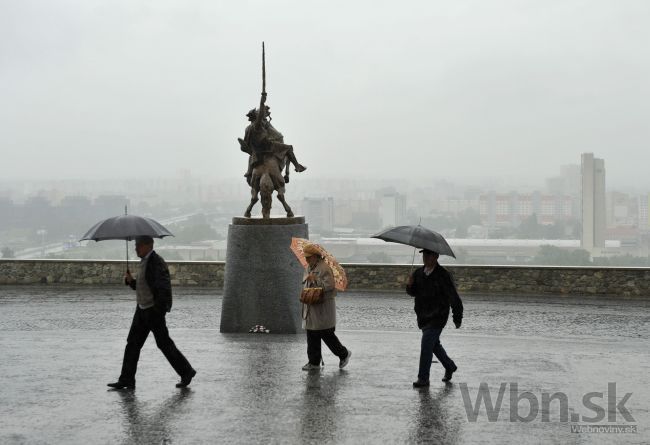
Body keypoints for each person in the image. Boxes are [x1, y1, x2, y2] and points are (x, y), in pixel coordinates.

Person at [107, 236, 196, 390]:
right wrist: (131, 282)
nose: (136, 248)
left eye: (139, 245)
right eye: (135, 245)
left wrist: (158, 310)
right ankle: (127, 379)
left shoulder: (156, 262)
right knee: (132, 344)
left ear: (149, 245)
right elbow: (143, 286)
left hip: (153, 311)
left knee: (164, 344)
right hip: (141, 310)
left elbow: (163, 288)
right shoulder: (144, 262)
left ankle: (187, 372)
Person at [406, 249, 463, 387]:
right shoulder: (418, 273)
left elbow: (453, 297)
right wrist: (409, 285)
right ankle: (449, 366)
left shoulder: (443, 275)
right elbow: (413, 292)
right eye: (424, 255)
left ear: (436, 256)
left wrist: (457, 317)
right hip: (423, 316)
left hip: (438, 316)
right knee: (434, 345)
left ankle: (423, 378)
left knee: (426, 344)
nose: (425, 257)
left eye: (429, 255)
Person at [301, 243, 351, 371]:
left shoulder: (324, 268)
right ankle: (313, 362)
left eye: (309, 257)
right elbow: (306, 283)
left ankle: (343, 353)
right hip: (311, 306)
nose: (306, 260)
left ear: (316, 257)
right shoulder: (309, 267)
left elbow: (329, 286)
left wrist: (315, 280)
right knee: (312, 334)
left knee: (326, 334)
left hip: (323, 308)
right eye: (306, 257)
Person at [238, 104, 306, 185]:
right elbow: (275, 134)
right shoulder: (260, 124)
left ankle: (249, 172)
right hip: (268, 146)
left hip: (256, 151)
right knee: (289, 148)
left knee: (251, 156)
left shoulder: (248, 128)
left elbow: (246, 144)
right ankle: (297, 166)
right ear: (256, 116)